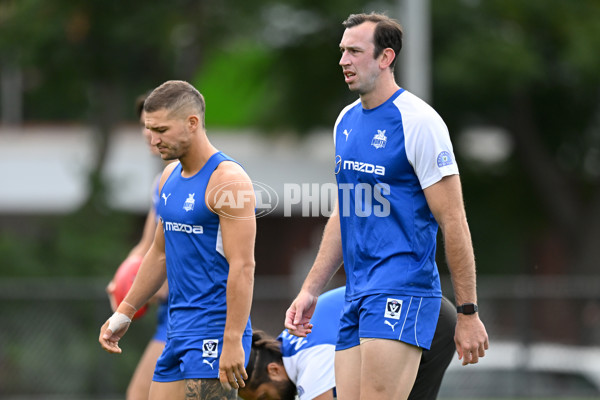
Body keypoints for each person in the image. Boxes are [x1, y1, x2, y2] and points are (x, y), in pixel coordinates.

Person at [284, 12, 489, 400]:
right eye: (342, 51)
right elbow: (346, 211)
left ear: (385, 57)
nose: (343, 60)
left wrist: (468, 312)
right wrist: (311, 289)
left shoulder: (420, 123)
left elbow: (454, 220)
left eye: (355, 51)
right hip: (356, 293)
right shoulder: (345, 121)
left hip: (402, 289)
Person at [99, 80, 256, 400]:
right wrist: (124, 312)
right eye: (148, 129)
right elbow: (158, 253)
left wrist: (233, 339)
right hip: (176, 329)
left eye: (161, 130)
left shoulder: (228, 181)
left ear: (192, 123)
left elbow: (243, 266)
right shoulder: (169, 178)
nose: (153, 140)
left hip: (214, 331)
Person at [239, 287, 457, 400]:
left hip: (425, 319)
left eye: (265, 398)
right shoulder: (290, 342)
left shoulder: (310, 360)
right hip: (424, 311)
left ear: (274, 370)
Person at [105, 92, 170, 400]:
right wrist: (121, 281)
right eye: (145, 125)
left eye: (156, 126)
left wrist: (160, 285)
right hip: (169, 315)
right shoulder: (161, 183)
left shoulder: (213, 178)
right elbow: (147, 248)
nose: (148, 134)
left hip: (199, 314)